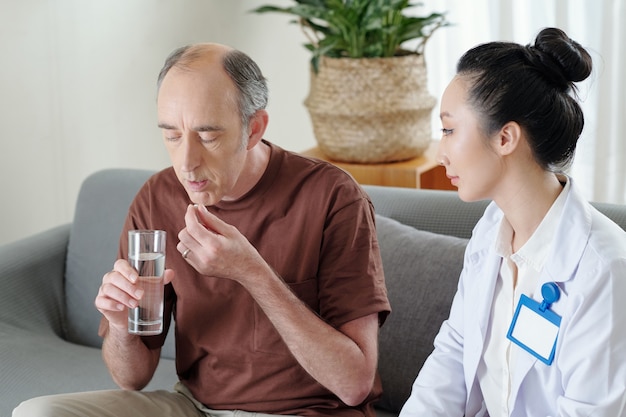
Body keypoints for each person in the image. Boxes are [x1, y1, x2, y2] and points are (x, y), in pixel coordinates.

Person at [13, 43, 390, 417]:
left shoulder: (331, 196)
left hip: (307, 411)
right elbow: (132, 379)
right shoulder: (157, 198)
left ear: (254, 128)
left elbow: (354, 384)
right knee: (39, 412)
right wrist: (120, 325)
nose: (186, 164)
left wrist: (252, 272)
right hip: (193, 407)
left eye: (208, 136)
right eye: (172, 136)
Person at [399, 27, 626, 417]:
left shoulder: (605, 269)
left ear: (505, 138)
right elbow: (455, 350)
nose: (441, 153)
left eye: (450, 130)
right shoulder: (490, 230)